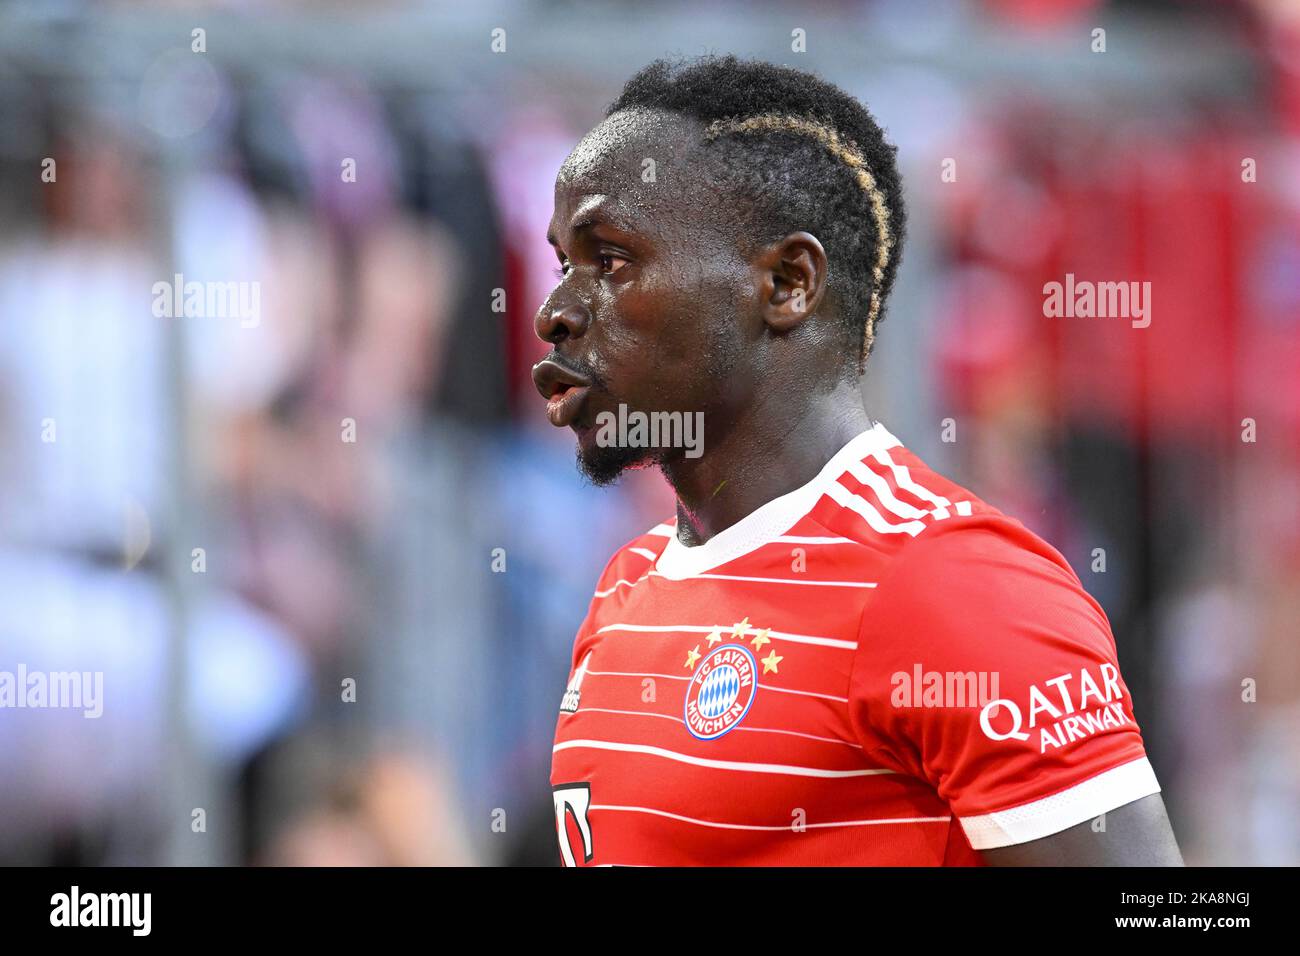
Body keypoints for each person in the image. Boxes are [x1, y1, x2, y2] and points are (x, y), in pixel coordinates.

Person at [532, 55, 1181, 866]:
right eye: (563, 263)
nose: (555, 312)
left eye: (612, 260)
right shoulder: (627, 587)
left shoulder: (950, 582)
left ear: (788, 283)